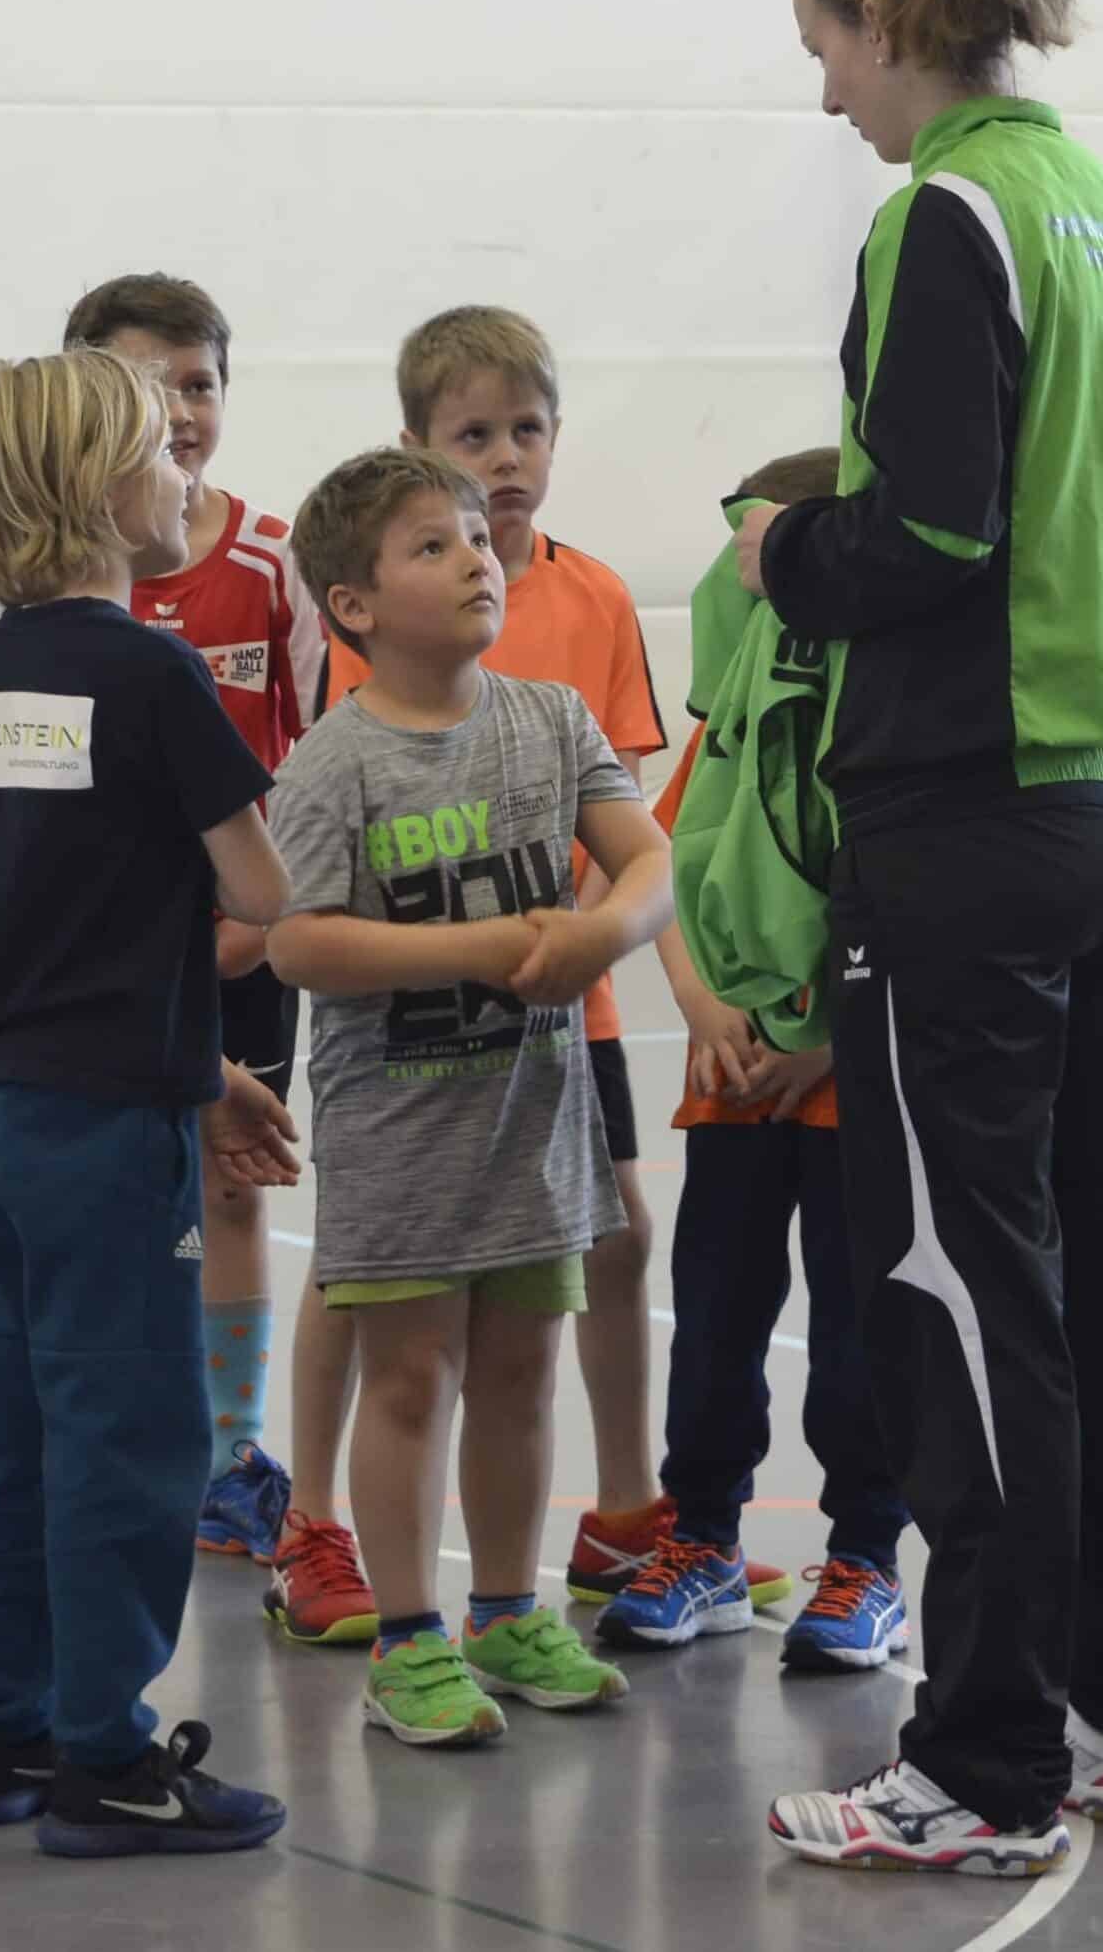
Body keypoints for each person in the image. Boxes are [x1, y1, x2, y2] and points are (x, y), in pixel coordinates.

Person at [737, 0, 1103, 1876]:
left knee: (961, 1287)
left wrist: (786, 553)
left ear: (887, 17)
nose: (827, 95)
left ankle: (979, 1761)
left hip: (965, 837)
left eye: (825, 45)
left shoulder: (949, 215)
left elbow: (931, 537)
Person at [322, 306, 790, 1616]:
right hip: (420, 1028)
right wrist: (463, 948)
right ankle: (322, 1515)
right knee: (386, 1280)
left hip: (561, 1001)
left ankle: (627, 1509)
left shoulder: (592, 598)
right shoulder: (388, 603)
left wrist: (569, 939)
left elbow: (623, 811)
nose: (505, 458)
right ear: (417, 443)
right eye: (473, 435)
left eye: (526, 430)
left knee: (615, 1237)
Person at [0, 347, 295, 1857]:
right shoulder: (151, 671)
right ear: (94, 488)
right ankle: (108, 1756)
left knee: (23, 1417)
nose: (183, 471)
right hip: (101, 1122)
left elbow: (52, 912)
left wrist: (201, 1062)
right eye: (159, 446)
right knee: (134, 1431)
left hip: (2, 1093)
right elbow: (260, 889)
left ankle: (4, 1728)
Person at [268, 445, 674, 1748]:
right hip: (400, 1137)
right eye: (431, 546)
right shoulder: (333, 763)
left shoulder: (550, 720)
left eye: (475, 539)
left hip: (534, 1128)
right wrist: (482, 947)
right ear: (354, 605)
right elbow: (298, 941)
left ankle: (505, 1611)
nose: (475, 560)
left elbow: (648, 858)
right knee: (408, 1380)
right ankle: (408, 1636)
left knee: (520, 1375)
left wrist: (605, 933)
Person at [597, 450, 912, 1672]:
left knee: (857, 1332)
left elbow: (922, 915)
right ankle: (703, 1540)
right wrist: (701, 1003)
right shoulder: (736, 721)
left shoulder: (893, 716)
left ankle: (865, 1557)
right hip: (731, 1080)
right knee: (716, 1320)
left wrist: (826, 1042)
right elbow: (665, 862)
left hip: (848, 1082)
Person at [58, 272, 331, 1579]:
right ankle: (120, 1441)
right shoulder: (59, 587)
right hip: (110, 965)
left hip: (243, 945)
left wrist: (262, 922)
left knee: (233, 1184)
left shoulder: (274, 562)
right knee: (115, 1191)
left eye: (200, 383)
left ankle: (229, 1453)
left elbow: (322, 752)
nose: (178, 410)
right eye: (144, 385)